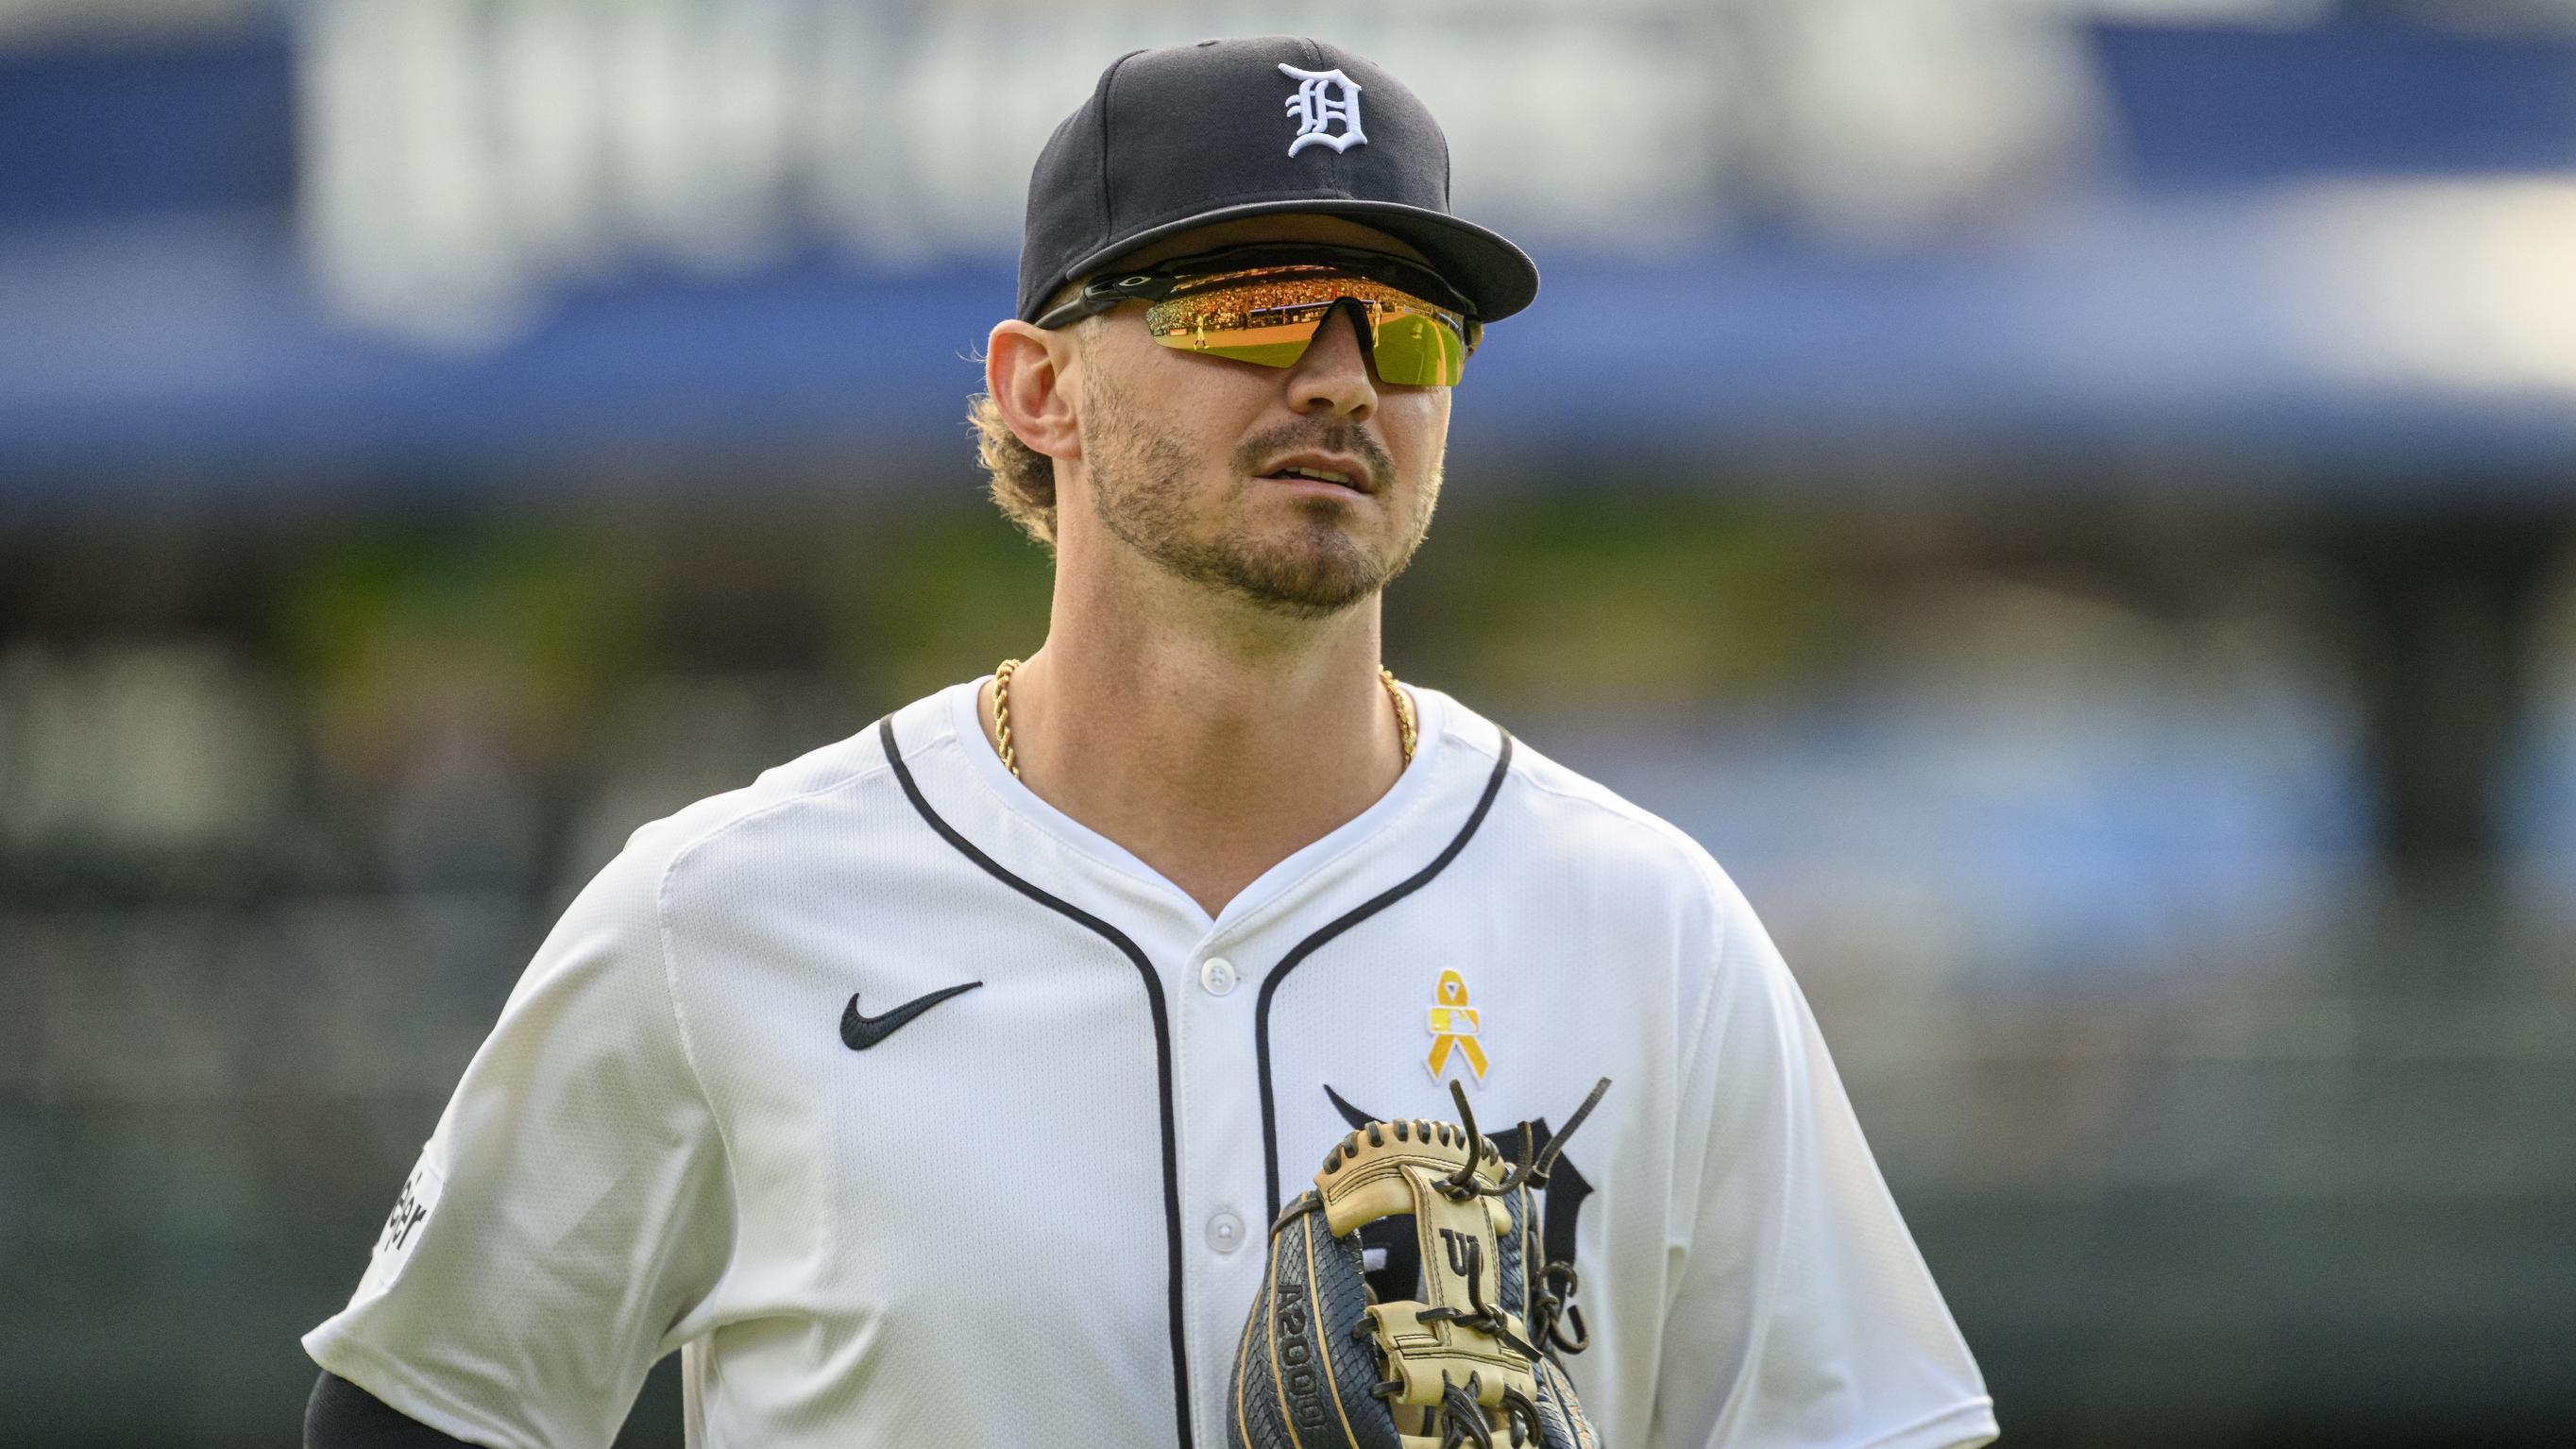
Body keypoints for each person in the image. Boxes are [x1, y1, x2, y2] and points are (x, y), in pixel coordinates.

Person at [301, 36, 1997, 1449]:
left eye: (1406, 326)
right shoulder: (720, 912)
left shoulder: (1653, 927)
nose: (1344, 377)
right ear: (1040, 387)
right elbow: (428, 1403)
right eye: (1254, 304)